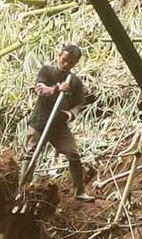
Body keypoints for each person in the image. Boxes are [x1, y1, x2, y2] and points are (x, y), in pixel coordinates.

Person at [21, 44, 94, 202]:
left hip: (59, 127)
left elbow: (79, 104)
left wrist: (70, 115)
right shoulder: (47, 71)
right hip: (40, 122)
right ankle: (21, 189)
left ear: (75, 63)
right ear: (59, 55)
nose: (66, 64)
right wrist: (56, 88)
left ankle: (79, 191)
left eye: (70, 62)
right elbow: (40, 89)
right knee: (31, 154)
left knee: (73, 154)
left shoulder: (74, 82)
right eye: (64, 59)